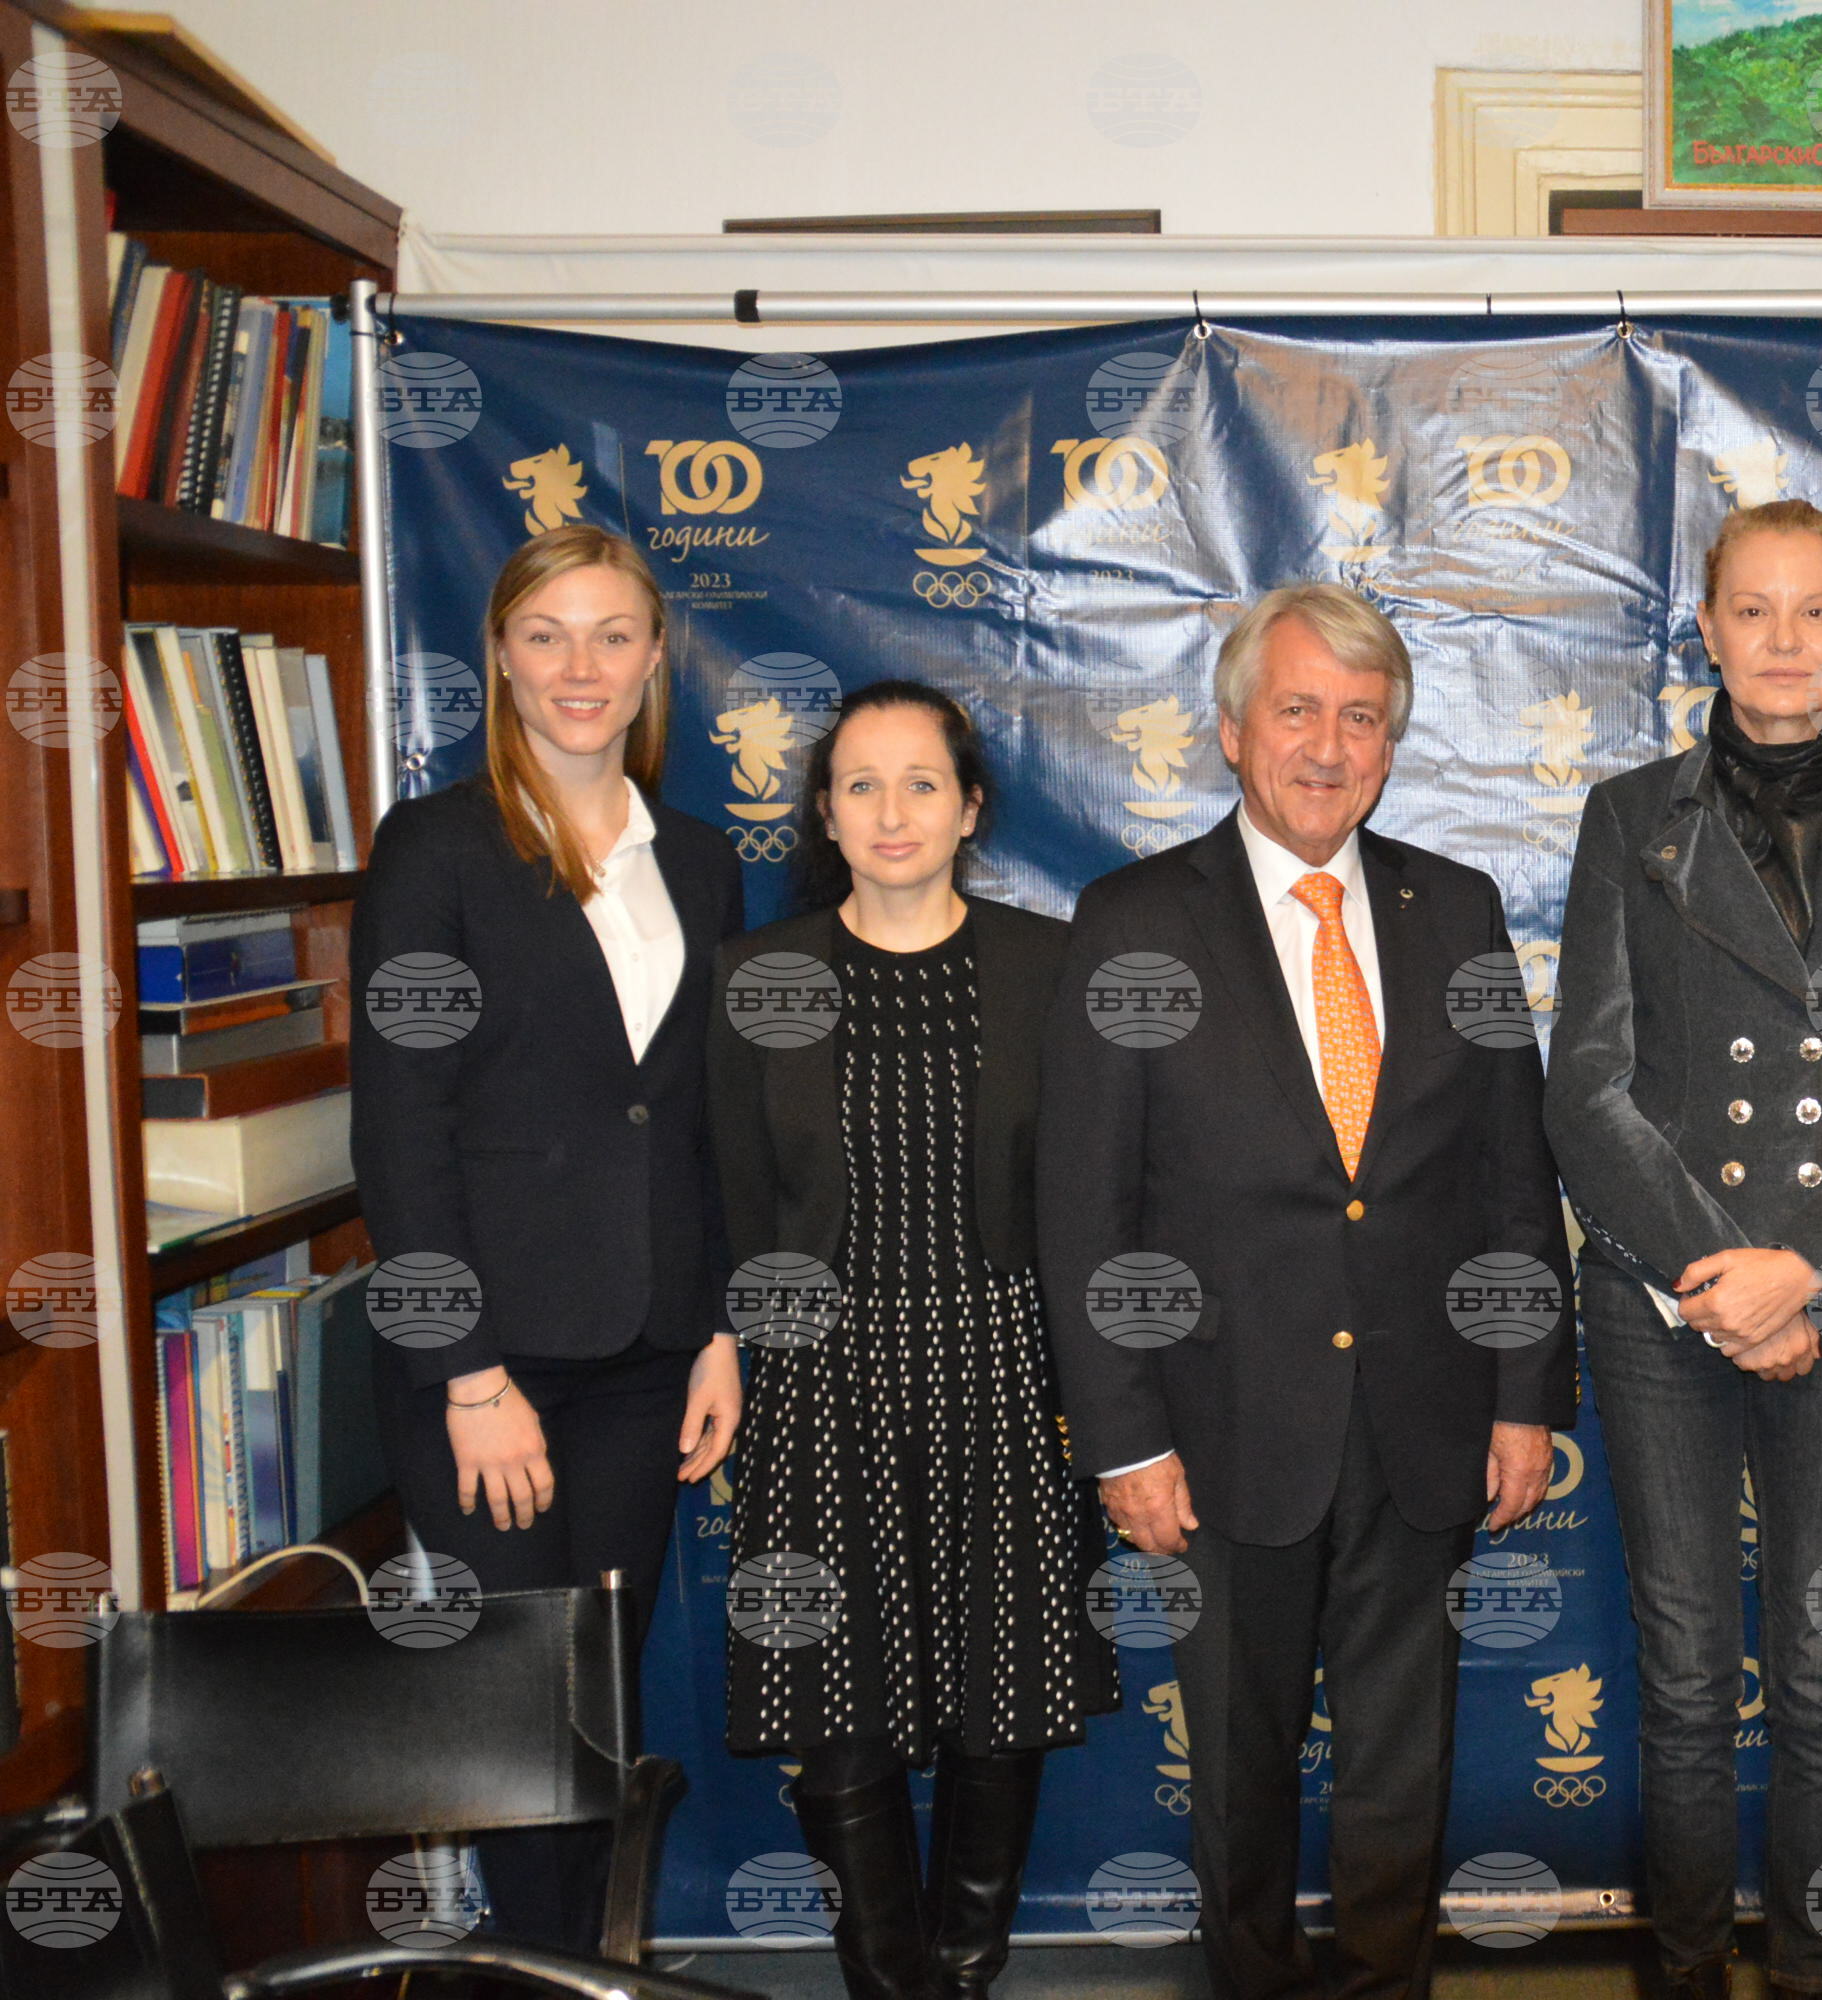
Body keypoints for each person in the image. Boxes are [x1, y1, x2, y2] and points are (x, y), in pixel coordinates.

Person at [1036, 583, 1574, 2000]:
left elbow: (1513, 1180)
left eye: (1361, 718)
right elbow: (1087, 1213)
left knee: (1405, 1767)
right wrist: (1126, 1441)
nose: (1329, 747)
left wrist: (1524, 1396)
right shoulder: (1134, 919)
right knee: (1240, 1766)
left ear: (1391, 744)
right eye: (1297, 711)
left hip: (1424, 1418)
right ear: (1231, 730)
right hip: (1220, 1427)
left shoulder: (1456, 911)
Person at [1544, 498, 1822, 2000]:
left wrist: (1801, 1272)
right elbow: (1587, 1088)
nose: (1785, 640)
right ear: (1708, 628)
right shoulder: (1632, 817)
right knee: (1683, 1675)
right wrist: (1723, 1280)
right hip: (1662, 1293)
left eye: (1815, 611)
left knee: (1819, 1670)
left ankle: (1808, 1974)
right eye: (1754, 609)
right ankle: (1681, 1974)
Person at [348, 523, 743, 1947]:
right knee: (517, 1710)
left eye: (613, 635)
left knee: (598, 1702)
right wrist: (468, 1374)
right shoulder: (436, 850)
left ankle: (588, 1968)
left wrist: (718, 1330)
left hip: (646, 1355)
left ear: (654, 661)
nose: (582, 667)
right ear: (502, 658)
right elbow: (399, 1128)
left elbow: (702, 1119)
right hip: (486, 1368)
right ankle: (532, 1972)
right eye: (547, 635)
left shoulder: (698, 862)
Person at [709, 680, 1118, 2000]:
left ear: (970, 809)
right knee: (837, 1701)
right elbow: (729, 1195)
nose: (893, 812)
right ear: (825, 814)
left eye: (922, 783)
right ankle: (884, 1979)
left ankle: (965, 1967)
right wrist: (722, 1344)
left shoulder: (1049, 968)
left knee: (1006, 1687)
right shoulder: (759, 977)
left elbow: (1094, 1194)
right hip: (820, 1377)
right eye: (862, 785)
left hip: (1002, 1370)